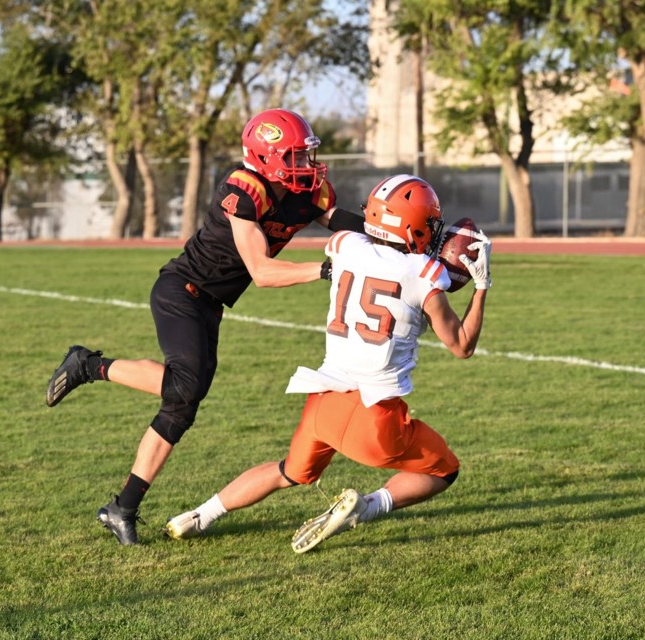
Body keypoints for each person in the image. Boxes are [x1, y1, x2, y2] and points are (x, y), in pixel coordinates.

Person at [45, 109, 367, 545]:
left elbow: (343, 222)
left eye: (306, 156)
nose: (305, 167)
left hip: (210, 304)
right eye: (293, 157)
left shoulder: (310, 190)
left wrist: (392, 235)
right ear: (265, 156)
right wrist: (329, 270)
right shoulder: (245, 188)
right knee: (185, 387)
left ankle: (122, 508)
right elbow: (263, 271)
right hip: (182, 290)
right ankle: (89, 366)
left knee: (182, 406)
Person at [163, 174, 492, 553]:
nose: (433, 231)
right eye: (429, 223)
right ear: (411, 225)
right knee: (444, 469)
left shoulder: (345, 246)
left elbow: (361, 238)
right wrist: (482, 287)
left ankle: (199, 515)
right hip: (377, 415)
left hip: (323, 400)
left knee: (288, 471)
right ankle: (365, 508)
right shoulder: (425, 273)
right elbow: (462, 346)